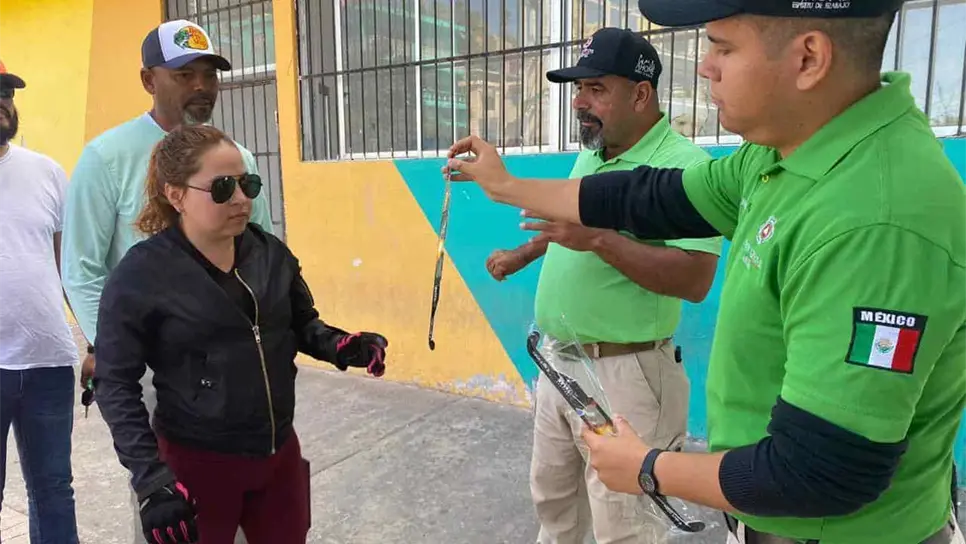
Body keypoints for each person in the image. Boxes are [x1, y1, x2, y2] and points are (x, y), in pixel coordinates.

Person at [444, 1, 966, 543]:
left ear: (808, 58)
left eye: (723, 45)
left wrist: (648, 467)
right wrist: (506, 187)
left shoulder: (877, 219)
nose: (704, 66)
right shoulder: (779, 156)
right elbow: (653, 196)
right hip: (770, 518)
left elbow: (820, 471)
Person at [93, 124, 389, 544]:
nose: (240, 198)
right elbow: (115, 382)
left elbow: (302, 323)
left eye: (247, 183)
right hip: (196, 464)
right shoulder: (141, 276)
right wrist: (150, 479)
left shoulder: (270, 252)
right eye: (221, 188)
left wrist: (343, 346)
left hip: (277, 456)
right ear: (176, 194)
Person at [484, 28, 721, 544]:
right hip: (558, 364)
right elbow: (571, 222)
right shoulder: (596, 150)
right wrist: (523, 254)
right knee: (555, 504)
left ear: (641, 94)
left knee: (625, 526)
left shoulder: (687, 167)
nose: (579, 103)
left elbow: (694, 278)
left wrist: (597, 240)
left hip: (627, 374)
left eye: (595, 89)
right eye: (577, 89)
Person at [59, 19, 274, 542]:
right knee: (172, 511)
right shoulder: (106, 158)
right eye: (184, 74)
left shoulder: (237, 159)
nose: (201, 87)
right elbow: (81, 268)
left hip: (235, 366)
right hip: (157, 373)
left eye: (209, 74)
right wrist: (115, 349)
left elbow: (262, 251)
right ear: (148, 80)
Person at [0, 60, 80, 544]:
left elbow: (69, 269)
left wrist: (95, 339)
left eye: (6, 92)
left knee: (53, 490)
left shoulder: (47, 172)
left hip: (49, 362)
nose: (1, 102)